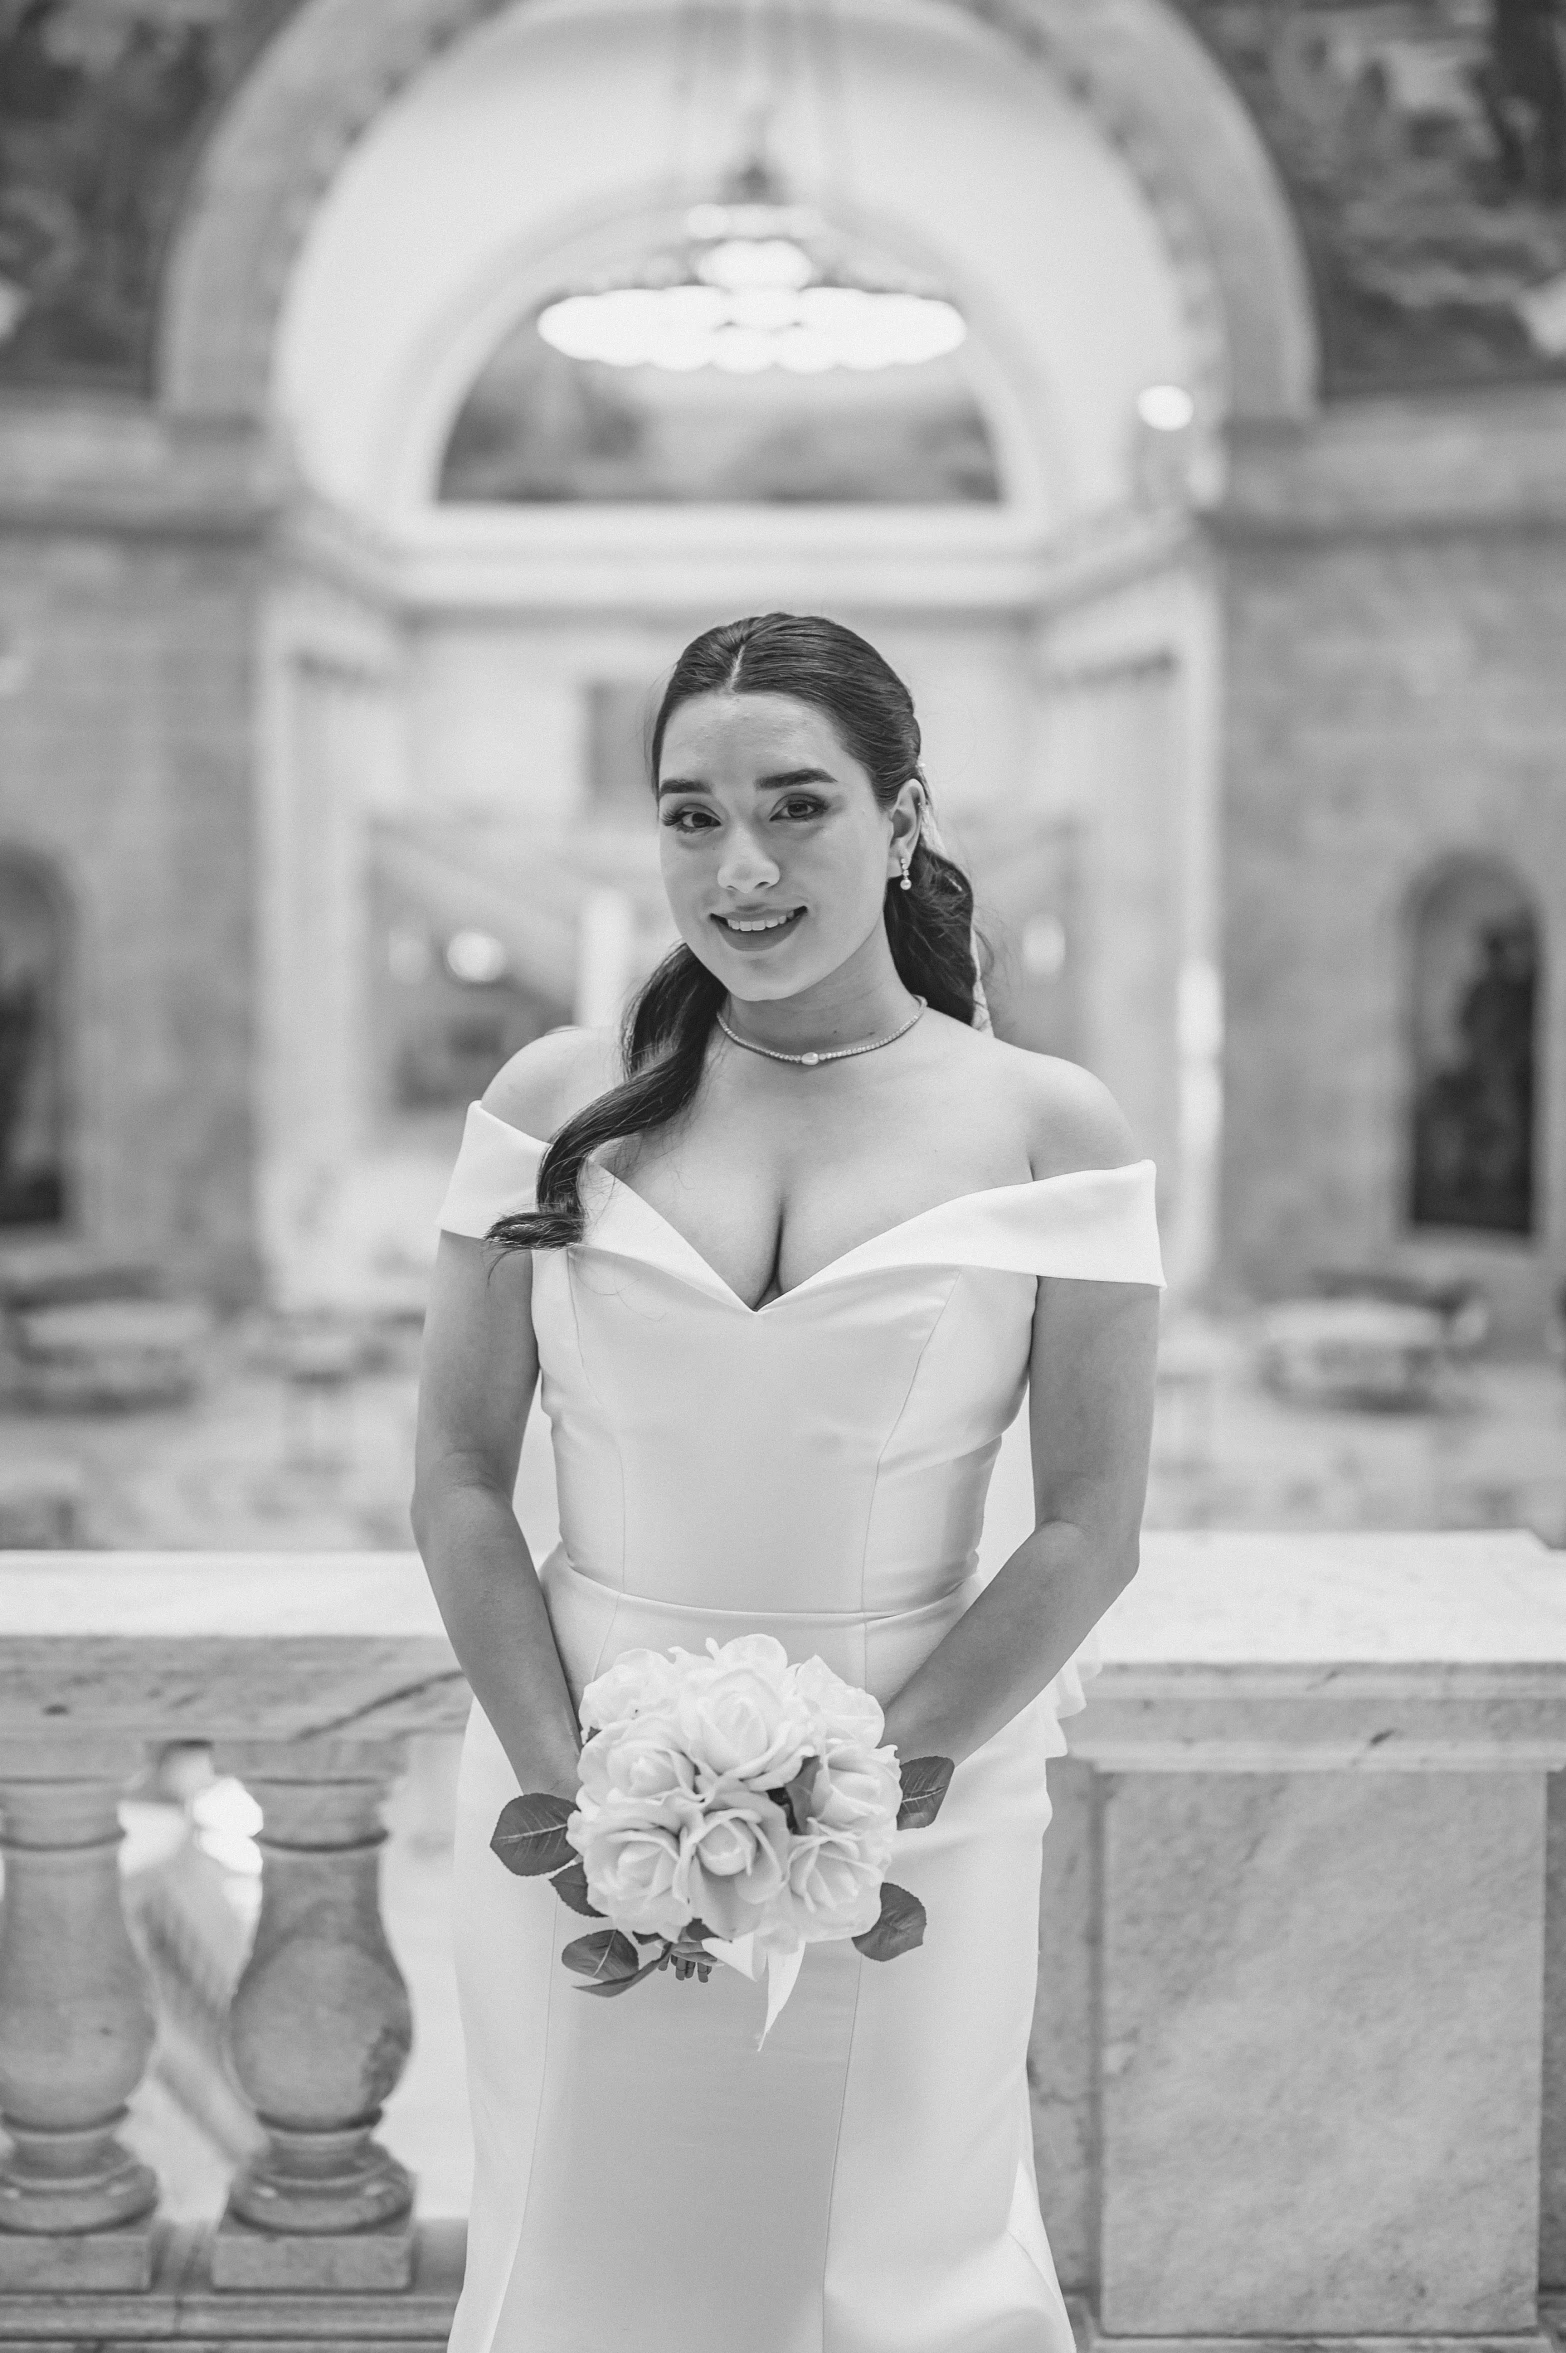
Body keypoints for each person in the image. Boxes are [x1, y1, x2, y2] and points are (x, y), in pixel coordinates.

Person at [412, 612, 1163, 2353]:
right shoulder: (553, 1097)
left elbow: (1085, 1526)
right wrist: (578, 1803)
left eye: (797, 807)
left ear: (903, 820)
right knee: (592, 2256)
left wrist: (869, 1795)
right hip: (572, 1783)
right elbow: (457, 1477)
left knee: (898, 2257)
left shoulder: (1050, 1126)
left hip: (929, 1795)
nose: (739, 868)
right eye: (690, 816)